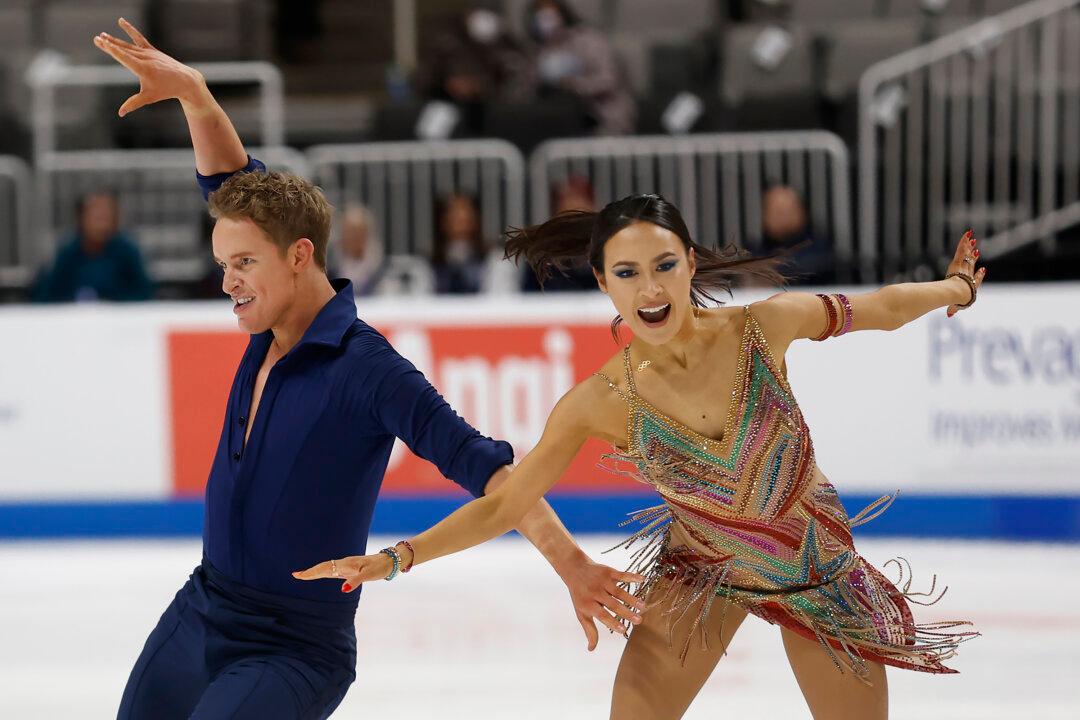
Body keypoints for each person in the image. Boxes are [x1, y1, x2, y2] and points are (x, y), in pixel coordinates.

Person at [94, 20, 641, 719]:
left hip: (293, 646)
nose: (228, 282)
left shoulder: (367, 369)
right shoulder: (271, 313)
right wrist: (197, 97)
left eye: (243, 265)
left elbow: (492, 471)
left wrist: (572, 563)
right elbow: (231, 184)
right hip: (202, 608)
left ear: (298, 257)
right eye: (224, 265)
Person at [298, 198, 984, 718]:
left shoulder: (764, 327)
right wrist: (397, 558)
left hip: (814, 568)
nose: (650, 290)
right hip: (702, 576)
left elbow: (882, 308)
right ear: (603, 281)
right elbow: (505, 504)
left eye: (663, 266)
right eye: (627, 273)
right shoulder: (598, 401)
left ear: (690, 262)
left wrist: (957, 290)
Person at [527, 0, 636, 135]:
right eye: (538, 14)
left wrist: (574, 84)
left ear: (561, 12)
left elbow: (608, 80)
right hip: (560, 123)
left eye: (548, 12)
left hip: (604, 120)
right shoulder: (541, 49)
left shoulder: (589, 40)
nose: (544, 18)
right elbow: (531, 88)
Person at [33, 190, 155, 302]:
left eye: (106, 215)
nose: (101, 222)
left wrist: (112, 302)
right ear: (81, 218)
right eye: (96, 215)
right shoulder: (67, 251)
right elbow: (45, 294)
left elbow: (144, 293)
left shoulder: (128, 250)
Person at [760, 183, 835, 285]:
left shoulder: (819, 247)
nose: (781, 217)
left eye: (787, 211)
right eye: (776, 211)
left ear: (802, 211)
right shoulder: (755, 249)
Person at [432, 193, 488, 294]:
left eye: (466, 218)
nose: (462, 225)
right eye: (455, 218)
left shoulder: (491, 261)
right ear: (443, 221)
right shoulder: (428, 265)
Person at [330, 205, 386, 296]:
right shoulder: (329, 267)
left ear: (367, 234)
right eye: (349, 232)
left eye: (358, 232)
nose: (353, 237)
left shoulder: (380, 267)